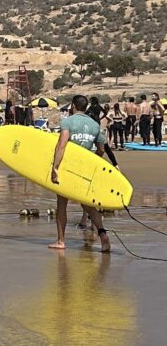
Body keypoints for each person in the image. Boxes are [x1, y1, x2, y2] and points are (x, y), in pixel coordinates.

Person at [49, 95, 111, 253]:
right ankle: (103, 236)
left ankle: (61, 241)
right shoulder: (94, 125)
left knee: (62, 204)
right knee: (88, 205)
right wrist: (93, 161)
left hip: (68, 168)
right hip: (85, 169)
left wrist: (55, 168)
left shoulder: (68, 122)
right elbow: (102, 149)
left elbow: (62, 145)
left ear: (73, 106)